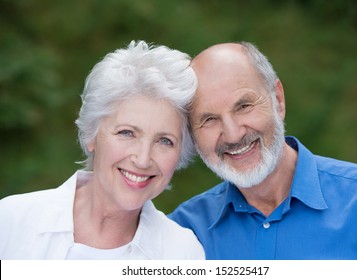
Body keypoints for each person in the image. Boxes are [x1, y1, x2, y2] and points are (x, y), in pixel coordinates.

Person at [169, 41, 357, 260]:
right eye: (209, 119)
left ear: (278, 100)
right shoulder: (182, 232)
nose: (234, 134)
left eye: (244, 106)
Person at [0, 40, 205, 260]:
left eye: (165, 141)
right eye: (126, 133)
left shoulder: (182, 253)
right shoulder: (11, 221)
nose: (143, 159)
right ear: (91, 135)